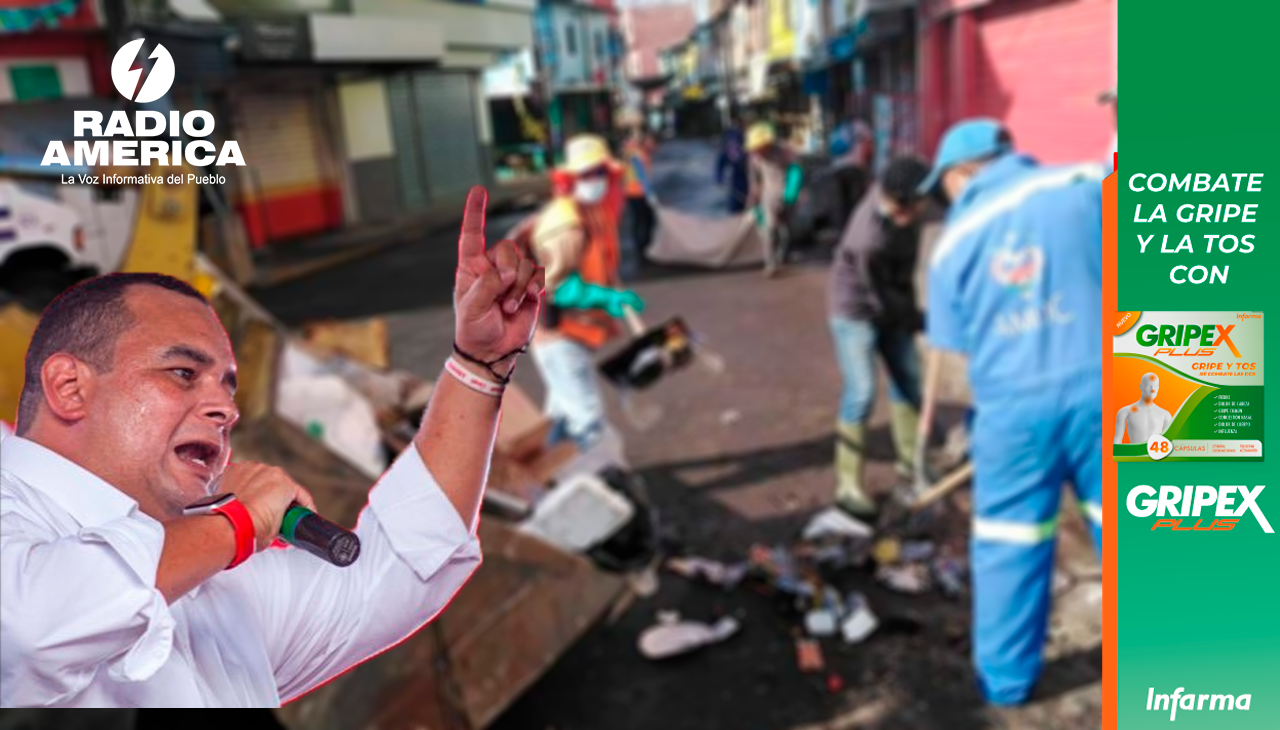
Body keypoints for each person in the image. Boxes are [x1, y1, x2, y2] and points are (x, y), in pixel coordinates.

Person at [0, 187, 544, 707]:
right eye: (183, 373)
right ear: (70, 388)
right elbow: (31, 629)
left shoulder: (209, 578)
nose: (226, 410)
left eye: (226, 386)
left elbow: (397, 569)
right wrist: (234, 524)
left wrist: (479, 367)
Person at [919, 118, 1107, 706]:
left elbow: (957, 350)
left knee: (1009, 544)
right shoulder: (1084, 183)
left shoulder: (952, 243)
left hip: (1013, 411)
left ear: (961, 174)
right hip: (1120, 383)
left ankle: (1006, 682)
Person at [823, 157, 932, 520]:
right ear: (899, 203)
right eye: (916, 204)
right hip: (856, 308)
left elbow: (902, 278)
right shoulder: (868, 237)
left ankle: (911, 466)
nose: (922, 210)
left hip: (891, 299)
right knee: (862, 390)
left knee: (909, 382)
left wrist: (913, 312)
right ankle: (848, 485)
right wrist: (915, 319)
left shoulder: (908, 208)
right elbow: (878, 296)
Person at [523, 134, 645, 451]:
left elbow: (599, 265)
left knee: (562, 412)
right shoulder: (566, 223)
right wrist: (606, 298)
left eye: (600, 172)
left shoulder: (595, 211)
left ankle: (547, 474)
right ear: (570, 178)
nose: (595, 180)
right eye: (586, 174)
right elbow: (556, 288)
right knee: (588, 417)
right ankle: (589, 483)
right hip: (559, 336)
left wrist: (609, 293)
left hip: (577, 331)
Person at [745, 122, 802, 277]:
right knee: (769, 229)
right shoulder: (754, 158)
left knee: (786, 230)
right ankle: (770, 264)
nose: (757, 150)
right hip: (768, 197)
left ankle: (782, 257)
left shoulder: (783, 151)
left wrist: (792, 192)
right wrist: (753, 196)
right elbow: (755, 180)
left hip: (787, 195)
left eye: (759, 146)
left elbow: (796, 170)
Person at [621, 125, 658, 276]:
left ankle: (642, 251)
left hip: (632, 192)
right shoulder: (636, 153)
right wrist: (649, 193)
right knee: (645, 221)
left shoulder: (634, 152)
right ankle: (643, 252)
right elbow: (642, 175)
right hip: (638, 193)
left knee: (640, 222)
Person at [1114, 373, 1170, 444]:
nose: (1152, 389)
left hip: (1155, 454)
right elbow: (1117, 442)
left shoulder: (1165, 414)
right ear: (1141, 387)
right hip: (1133, 454)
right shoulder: (1125, 412)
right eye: (1149, 386)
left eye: (1155, 386)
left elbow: (1169, 442)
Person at [716, 114, 750, 213]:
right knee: (736, 206)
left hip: (748, 175)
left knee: (747, 204)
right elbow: (721, 160)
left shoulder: (748, 136)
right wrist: (719, 176)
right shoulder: (731, 138)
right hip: (737, 176)